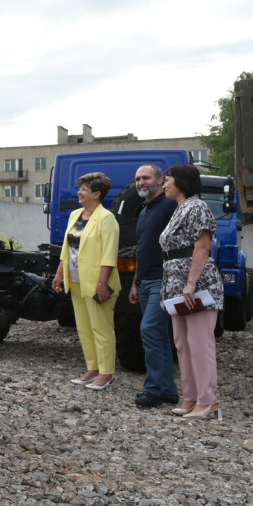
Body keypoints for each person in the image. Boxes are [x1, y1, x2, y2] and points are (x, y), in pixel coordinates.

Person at [159, 164, 225, 420]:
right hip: (178, 285)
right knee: (183, 344)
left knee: (200, 344)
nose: (164, 184)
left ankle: (208, 400)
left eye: (168, 180)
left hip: (197, 285)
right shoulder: (180, 208)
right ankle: (191, 397)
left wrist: (191, 283)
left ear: (181, 182)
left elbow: (203, 246)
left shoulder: (197, 207)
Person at [52, 172, 120, 390]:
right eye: (79, 188)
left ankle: (106, 373)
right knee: (84, 328)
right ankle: (93, 368)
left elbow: (109, 254)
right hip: (76, 281)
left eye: (84, 189)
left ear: (97, 193)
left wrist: (102, 284)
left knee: (101, 328)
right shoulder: (75, 215)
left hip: (97, 283)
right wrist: (59, 273)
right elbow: (67, 248)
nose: (79, 192)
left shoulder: (106, 218)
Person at [128, 164, 179, 407]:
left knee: (149, 329)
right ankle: (168, 390)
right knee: (159, 335)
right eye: (138, 179)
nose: (141, 182)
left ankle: (153, 389)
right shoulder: (144, 210)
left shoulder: (170, 205)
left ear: (160, 180)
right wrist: (135, 282)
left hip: (163, 279)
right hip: (145, 281)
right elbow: (143, 248)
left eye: (146, 177)